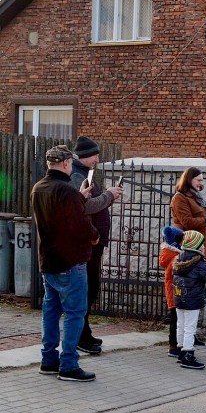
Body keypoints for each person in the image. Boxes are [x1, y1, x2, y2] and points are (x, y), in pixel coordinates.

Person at [31, 145, 100, 382]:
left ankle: (48, 359)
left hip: (48, 260)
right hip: (70, 261)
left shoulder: (39, 188)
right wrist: (95, 235)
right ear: (66, 164)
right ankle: (68, 364)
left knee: (50, 311)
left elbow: (58, 216)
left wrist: (79, 198)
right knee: (74, 313)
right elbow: (79, 225)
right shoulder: (67, 191)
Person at [69, 136, 123, 355]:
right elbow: (85, 206)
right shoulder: (76, 176)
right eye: (95, 155)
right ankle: (81, 337)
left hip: (94, 241)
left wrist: (108, 196)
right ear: (84, 156)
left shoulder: (86, 174)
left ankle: (85, 332)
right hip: (86, 242)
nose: (98, 159)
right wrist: (109, 195)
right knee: (85, 290)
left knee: (90, 288)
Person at [172, 230, 206, 370]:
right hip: (192, 299)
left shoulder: (179, 258)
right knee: (190, 328)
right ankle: (188, 355)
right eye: (202, 244)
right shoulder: (198, 262)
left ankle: (180, 351)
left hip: (179, 297)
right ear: (196, 246)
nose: (204, 246)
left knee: (181, 325)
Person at [171, 167, 206, 270]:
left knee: (202, 282)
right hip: (190, 250)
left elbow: (200, 223)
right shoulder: (180, 198)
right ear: (189, 179)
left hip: (202, 247)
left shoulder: (196, 197)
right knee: (191, 283)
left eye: (202, 180)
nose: (201, 183)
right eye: (198, 180)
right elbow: (187, 222)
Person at [159, 226, 184, 358]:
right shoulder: (175, 257)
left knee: (176, 319)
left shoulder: (170, 254)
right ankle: (173, 346)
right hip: (176, 293)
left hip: (174, 292)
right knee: (175, 320)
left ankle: (175, 345)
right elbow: (172, 277)